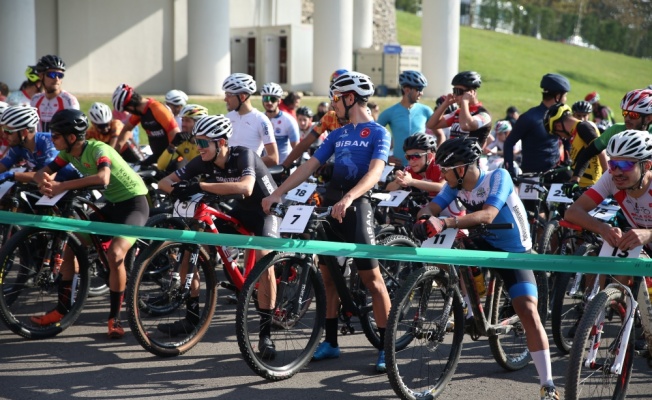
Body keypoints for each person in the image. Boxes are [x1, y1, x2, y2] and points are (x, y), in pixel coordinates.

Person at [262, 71, 392, 373]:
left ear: (350, 98)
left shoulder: (378, 133)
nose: (331, 104)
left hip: (356, 207)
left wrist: (350, 198)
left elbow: (375, 173)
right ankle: (331, 342)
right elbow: (310, 165)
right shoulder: (337, 134)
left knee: (373, 281)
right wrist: (278, 193)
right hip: (332, 206)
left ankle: (385, 346)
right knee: (329, 278)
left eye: (335, 98)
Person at [412, 137, 559, 400]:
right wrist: (423, 218)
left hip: (513, 249)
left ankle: (548, 384)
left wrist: (444, 222)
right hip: (481, 239)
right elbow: (432, 206)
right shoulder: (454, 185)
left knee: (527, 310)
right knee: (445, 253)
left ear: (462, 167)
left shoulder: (497, 177)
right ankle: (471, 305)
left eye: (446, 169)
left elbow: (489, 214)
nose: (442, 175)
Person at [157, 115, 279, 354]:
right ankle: (192, 317)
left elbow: (246, 187)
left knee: (265, 261)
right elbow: (164, 182)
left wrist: (200, 186)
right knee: (191, 246)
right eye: (197, 142)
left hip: (267, 210)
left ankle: (266, 335)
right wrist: (179, 188)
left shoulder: (243, 154)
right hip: (241, 211)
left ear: (221, 143)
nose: (199, 148)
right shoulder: (202, 161)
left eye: (204, 143)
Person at [32, 109, 149, 339]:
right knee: (68, 245)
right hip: (113, 205)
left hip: (134, 205)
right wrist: (44, 182)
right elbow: (42, 173)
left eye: (55, 135)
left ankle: (115, 318)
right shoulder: (67, 153)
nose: (52, 139)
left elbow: (103, 178)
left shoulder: (98, 149)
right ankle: (63, 308)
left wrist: (62, 186)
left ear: (72, 137)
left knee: (116, 255)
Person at [565, 130, 652, 288]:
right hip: (640, 244)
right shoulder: (611, 178)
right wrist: (603, 228)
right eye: (613, 164)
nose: (617, 172)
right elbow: (573, 212)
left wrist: (649, 233)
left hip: (647, 236)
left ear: (646, 165)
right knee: (613, 276)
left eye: (625, 165)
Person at [569, 88, 652, 186]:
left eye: (634, 115)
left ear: (648, 118)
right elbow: (588, 152)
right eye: (625, 113)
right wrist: (575, 179)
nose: (627, 119)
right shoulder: (616, 130)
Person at [503, 73, 571, 181]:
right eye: (565, 95)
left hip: (555, 172)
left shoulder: (562, 116)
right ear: (558, 97)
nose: (566, 99)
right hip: (531, 177)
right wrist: (510, 169)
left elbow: (568, 139)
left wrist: (568, 159)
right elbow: (509, 143)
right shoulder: (529, 117)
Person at [280, 69, 349, 169]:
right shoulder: (330, 117)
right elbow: (305, 143)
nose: (333, 104)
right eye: (333, 98)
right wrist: (285, 165)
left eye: (337, 98)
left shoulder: (359, 118)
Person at [0, 106, 81, 183]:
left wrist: (11, 175)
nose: (4, 135)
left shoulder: (49, 142)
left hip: (74, 183)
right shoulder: (18, 145)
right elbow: (3, 165)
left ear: (24, 132)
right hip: (53, 187)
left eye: (8, 132)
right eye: (4, 131)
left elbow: (46, 175)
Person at [543, 103, 607, 192]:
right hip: (582, 187)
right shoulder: (575, 133)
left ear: (558, 126)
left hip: (593, 187)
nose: (561, 136)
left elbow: (601, 151)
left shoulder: (583, 127)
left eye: (557, 133)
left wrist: (608, 179)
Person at [112, 83, 180, 166]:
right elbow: (127, 129)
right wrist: (116, 151)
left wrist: (170, 158)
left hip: (170, 157)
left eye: (127, 110)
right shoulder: (141, 111)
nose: (128, 112)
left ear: (130, 107)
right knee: (139, 170)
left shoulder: (157, 109)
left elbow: (175, 133)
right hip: (157, 156)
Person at [377, 70, 433, 166]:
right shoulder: (389, 112)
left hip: (422, 167)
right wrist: (385, 157)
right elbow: (373, 139)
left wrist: (436, 157)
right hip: (400, 167)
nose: (422, 93)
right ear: (407, 89)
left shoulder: (426, 110)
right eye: (419, 89)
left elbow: (440, 135)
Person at [222, 73, 278, 167]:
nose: (225, 99)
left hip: (248, 176)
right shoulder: (228, 117)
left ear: (242, 97)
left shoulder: (261, 120)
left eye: (229, 95)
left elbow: (273, 158)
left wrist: (243, 163)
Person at [426, 71, 492, 148]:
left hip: (469, 159)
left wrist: (465, 101)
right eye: (454, 91)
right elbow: (431, 125)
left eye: (458, 92)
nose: (455, 95)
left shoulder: (484, 115)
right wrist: (445, 104)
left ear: (471, 92)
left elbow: (465, 125)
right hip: (452, 158)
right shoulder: (458, 113)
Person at [30, 55, 80, 132]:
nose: (56, 79)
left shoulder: (69, 100)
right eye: (52, 74)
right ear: (41, 76)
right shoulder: (35, 99)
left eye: (60, 75)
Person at [156, 103, 206, 172]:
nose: (183, 124)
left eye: (187, 121)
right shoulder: (182, 141)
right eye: (183, 120)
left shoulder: (207, 144)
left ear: (199, 123)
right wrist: (172, 145)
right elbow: (161, 166)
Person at [260, 82, 300, 165]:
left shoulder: (289, 120)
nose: (269, 102)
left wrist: (288, 165)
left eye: (273, 99)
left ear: (279, 101)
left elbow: (296, 148)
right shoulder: (259, 119)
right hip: (263, 167)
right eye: (266, 98)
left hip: (283, 166)